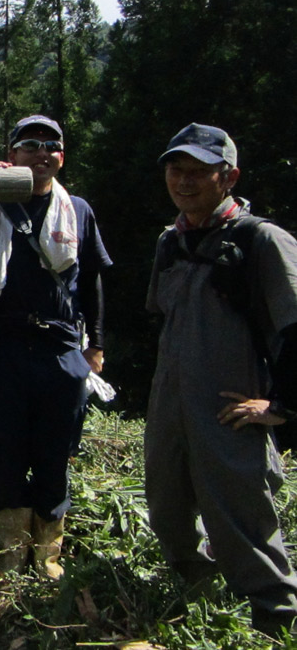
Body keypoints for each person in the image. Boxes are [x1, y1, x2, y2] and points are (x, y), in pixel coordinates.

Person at [145, 123, 297, 637]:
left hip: (229, 409)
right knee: (168, 510)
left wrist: (279, 407)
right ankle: (202, 609)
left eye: (198, 172)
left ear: (228, 177)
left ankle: (275, 623)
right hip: (172, 405)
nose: (184, 181)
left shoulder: (262, 241)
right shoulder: (172, 241)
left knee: (241, 522)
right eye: (175, 169)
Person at [0, 115, 111, 578]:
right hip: (1, 348)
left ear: (62, 155)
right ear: (11, 154)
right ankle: (12, 551)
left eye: (50, 145)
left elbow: (92, 278)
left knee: (56, 454)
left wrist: (95, 346)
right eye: (29, 144)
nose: (40, 153)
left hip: (60, 349)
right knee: (7, 452)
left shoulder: (77, 209)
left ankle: (48, 554)